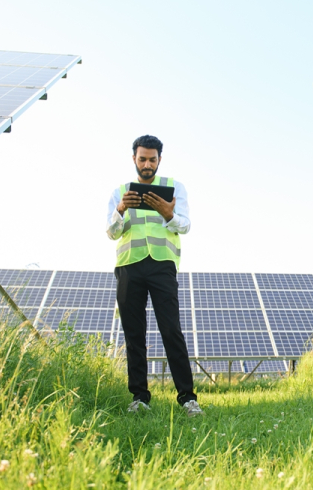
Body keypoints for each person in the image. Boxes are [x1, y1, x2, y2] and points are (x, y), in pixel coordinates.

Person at [106, 134, 203, 417]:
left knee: (171, 330)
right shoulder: (119, 192)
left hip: (162, 265)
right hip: (129, 265)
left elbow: (184, 226)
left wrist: (168, 214)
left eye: (152, 159)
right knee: (134, 334)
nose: (147, 164)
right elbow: (111, 233)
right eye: (142, 159)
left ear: (160, 159)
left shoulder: (175, 188)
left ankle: (187, 398)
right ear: (134, 159)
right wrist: (121, 209)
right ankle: (139, 398)